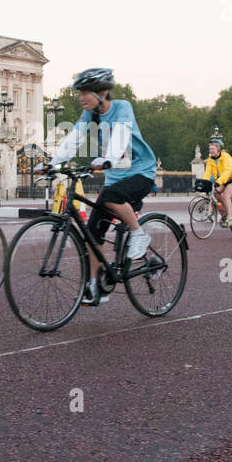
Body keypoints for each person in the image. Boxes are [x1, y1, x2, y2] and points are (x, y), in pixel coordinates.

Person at [44, 68, 158, 307]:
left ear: (102, 92)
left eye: (86, 92)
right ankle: (96, 286)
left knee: (110, 196)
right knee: (92, 232)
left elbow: (120, 134)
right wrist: (52, 163)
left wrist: (109, 159)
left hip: (141, 172)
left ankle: (139, 233)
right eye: (81, 93)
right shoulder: (90, 116)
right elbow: (74, 139)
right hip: (115, 177)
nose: (81, 97)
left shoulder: (122, 107)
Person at [204, 137, 232, 226]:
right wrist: (204, 182)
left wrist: (219, 181)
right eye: (210, 149)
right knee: (215, 193)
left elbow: (227, 172)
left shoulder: (226, 157)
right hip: (223, 180)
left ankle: (230, 218)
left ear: (218, 149)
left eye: (212, 149)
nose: (211, 151)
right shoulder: (210, 160)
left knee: (225, 195)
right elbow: (208, 173)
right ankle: (226, 211)